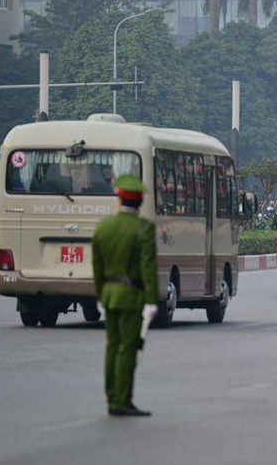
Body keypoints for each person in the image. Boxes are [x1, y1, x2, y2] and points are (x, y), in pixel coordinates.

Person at [92, 175, 159, 417]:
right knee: (127, 349)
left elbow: (97, 267)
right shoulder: (144, 229)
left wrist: (100, 295)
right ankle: (122, 400)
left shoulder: (104, 227)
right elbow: (148, 269)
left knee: (112, 346)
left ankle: (111, 396)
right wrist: (152, 301)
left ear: (119, 199)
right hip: (131, 296)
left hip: (109, 294)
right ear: (140, 202)